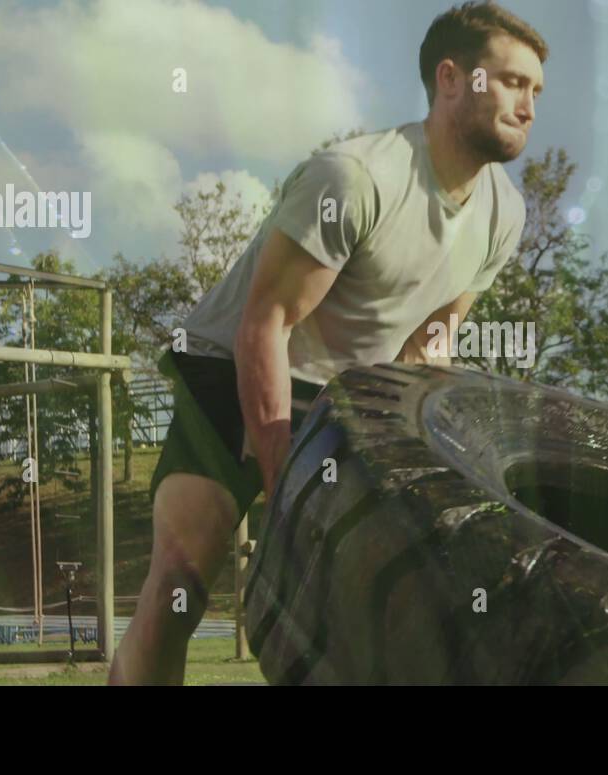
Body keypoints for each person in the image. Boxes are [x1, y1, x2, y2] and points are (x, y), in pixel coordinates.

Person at [109, 1, 547, 684]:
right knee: (182, 581)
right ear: (452, 79)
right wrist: (284, 487)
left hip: (346, 392)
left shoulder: (504, 215)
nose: (528, 104)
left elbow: (431, 342)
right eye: (514, 81)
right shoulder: (355, 179)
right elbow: (265, 325)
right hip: (233, 366)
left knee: (378, 598)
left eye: (537, 91)